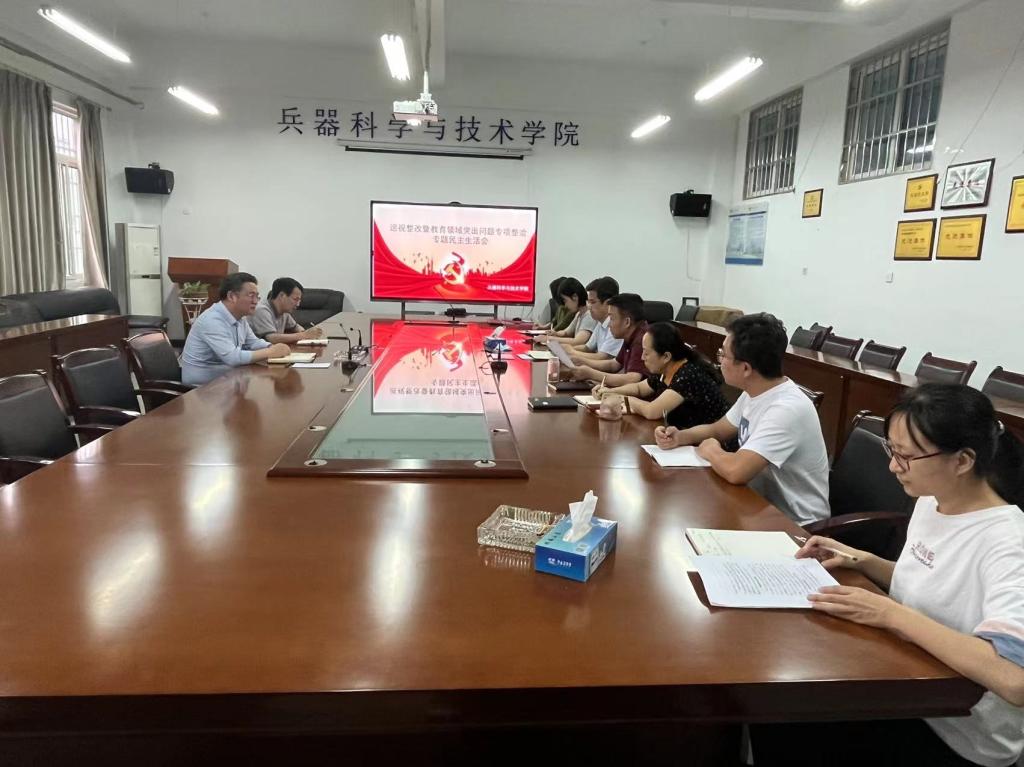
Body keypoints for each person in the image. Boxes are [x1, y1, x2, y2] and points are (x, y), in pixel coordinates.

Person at [754, 384, 1024, 767]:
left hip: (957, 732)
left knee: (782, 719)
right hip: (907, 686)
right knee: (773, 703)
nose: (894, 466)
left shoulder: (1009, 543)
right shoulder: (932, 500)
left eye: (906, 456)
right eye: (891, 450)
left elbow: (1014, 677)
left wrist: (889, 613)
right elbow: (931, 581)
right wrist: (860, 560)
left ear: (963, 461)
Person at [654, 312, 829, 525]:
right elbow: (718, 430)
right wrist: (680, 436)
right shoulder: (754, 391)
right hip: (757, 504)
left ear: (746, 368)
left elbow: (736, 471)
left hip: (796, 524)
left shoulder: (787, 409)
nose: (719, 361)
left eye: (723, 355)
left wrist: (711, 449)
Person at [593, 321, 729, 429]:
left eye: (646, 353)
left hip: (712, 443)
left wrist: (619, 398)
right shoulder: (666, 369)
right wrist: (609, 391)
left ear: (666, 356)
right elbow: (639, 388)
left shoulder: (688, 375)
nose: (642, 357)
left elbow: (652, 411)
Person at [181, 272, 291, 386]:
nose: (255, 301)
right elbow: (233, 358)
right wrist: (271, 352)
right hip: (201, 388)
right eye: (251, 295)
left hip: (227, 379)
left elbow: (253, 342)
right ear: (231, 296)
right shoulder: (212, 320)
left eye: (257, 296)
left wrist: (271, 347)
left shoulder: (240, 317)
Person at [569, 293, 647, 388]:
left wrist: (591, 374)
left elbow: (632, 379)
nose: (609, 325)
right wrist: (583, 361)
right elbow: (614, 364)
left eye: (612, 319)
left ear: (627, 322)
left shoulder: (642, 339)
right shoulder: (631, 334)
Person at [554, 276, 621, 358]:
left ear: (608, 303)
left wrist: (572, 352)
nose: (589, 307)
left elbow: (602, 357)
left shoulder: (616, 325)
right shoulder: (600, 322)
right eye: (588, 302)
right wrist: (566, 349)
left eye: (593, 302)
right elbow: (587, 348)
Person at [249, 277, 324, 344]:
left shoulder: (284, 312)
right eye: (295, 299)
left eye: (299, 300)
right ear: (282, 295)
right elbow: (272, 338)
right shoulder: (261, 310)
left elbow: (295, 327)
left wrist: (307, 333)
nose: (298, 304)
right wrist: (304, 335)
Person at [539, 277, 595, 347]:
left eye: (565, 300)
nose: (565, 305)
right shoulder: (579, 314)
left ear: (575, 297)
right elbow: (566, 332)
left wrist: (549, 338)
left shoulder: (589, 315)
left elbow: (578, 341)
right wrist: (555, 333)